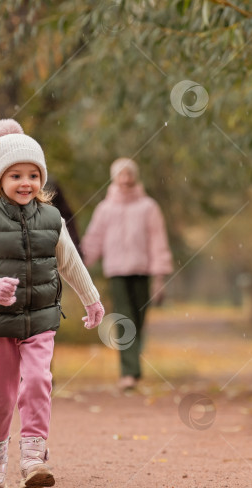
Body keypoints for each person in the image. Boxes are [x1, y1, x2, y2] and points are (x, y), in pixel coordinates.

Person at [0, 119, 105, 488]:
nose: (26, 183)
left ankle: (33, 457)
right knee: (2, 395)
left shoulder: (52, 219)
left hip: (40, 320)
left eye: (33, 175)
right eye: (16, 176)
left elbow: (71, 263)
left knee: (39, 381)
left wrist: (91, 299)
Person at [81, 157, 173, 391]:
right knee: (124, 319)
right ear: (114, 178)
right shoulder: (105, 209)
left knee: (139, 321)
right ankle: (129, 373)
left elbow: (158, 242)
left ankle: (133, 367)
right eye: (120, 174)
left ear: (135, 176)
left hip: (142, 271)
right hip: (116, 272)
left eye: (128, 174)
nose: (125, 178)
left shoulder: (148, 207)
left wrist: (159, 277)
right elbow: (93, 240)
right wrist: (78, 266)